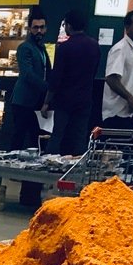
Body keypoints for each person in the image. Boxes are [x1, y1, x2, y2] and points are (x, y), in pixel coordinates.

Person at [43, 9, 100, 156]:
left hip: (64, 100)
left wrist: (46, 102)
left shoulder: (64, 48)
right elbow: (94, 72)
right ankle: (78, 163)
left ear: (68, 25)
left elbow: (56, 78)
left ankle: (51, 162)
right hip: (85, 99)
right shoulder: (94, 46)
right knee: (80, 136)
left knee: (58, 134)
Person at [6, 6, 50, 151]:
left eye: (42, 27)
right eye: (36, 27)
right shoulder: (25, 48)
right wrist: (47, 87)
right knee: (18, 137)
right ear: (30, 29)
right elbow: (27, 74)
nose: (39, 30)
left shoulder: (42, 48)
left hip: (36, 101)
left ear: (46, 29)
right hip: (23, 101)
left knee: (34, 138)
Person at [102, 8, 133, 129]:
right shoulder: (120, 49)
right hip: (118, 114)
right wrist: (130, 99)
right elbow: (111, 78)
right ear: (127, 27)